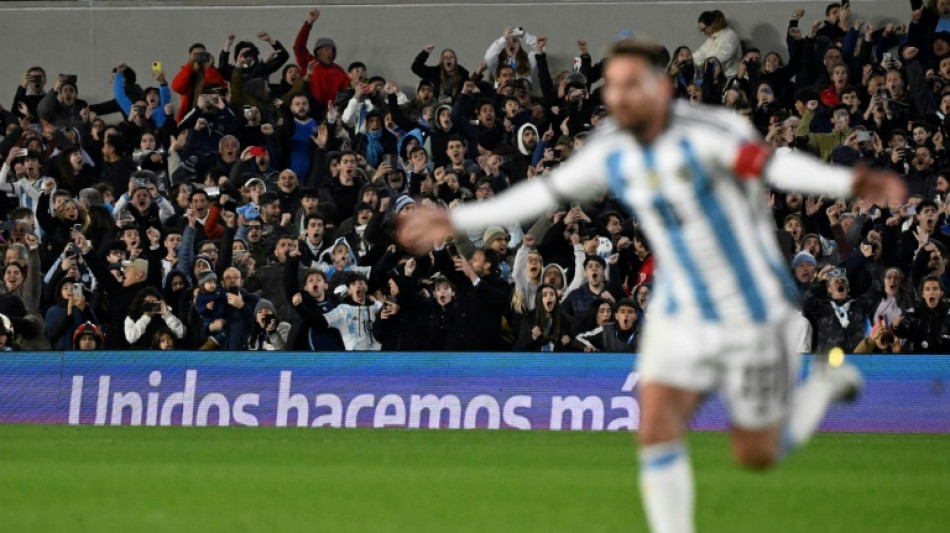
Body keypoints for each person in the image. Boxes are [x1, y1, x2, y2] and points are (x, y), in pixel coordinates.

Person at [396, 40, 907, 533]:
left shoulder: (712, 131)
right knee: (657, 431)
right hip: (678, 301)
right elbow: (545, 190)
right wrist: (458, 218)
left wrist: (848, 183)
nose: (617, 97)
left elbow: (774, 164)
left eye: (628, 85)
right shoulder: (612, 145)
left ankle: (821, 388)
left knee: (756, 452)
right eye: (612, 86)